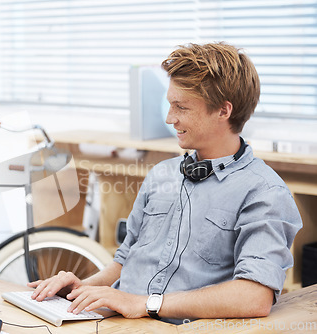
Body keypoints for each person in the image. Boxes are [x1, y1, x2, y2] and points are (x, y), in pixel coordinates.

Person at [28, 42, 302, 323]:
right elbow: (125, 260)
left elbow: (254, 297)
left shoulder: (265, 192)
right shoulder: (162, 173)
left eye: (181, 107)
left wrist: (146, 304)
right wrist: (83, 288)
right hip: (116, 321)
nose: (170, 118)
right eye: (170, 104)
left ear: (223, 111)